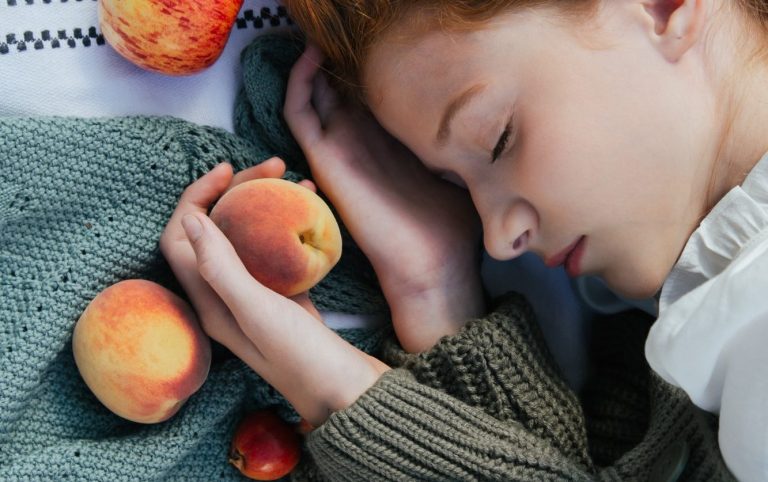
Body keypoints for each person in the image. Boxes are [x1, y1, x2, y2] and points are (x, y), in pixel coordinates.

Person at [161, 0, 767, 479]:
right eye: (452, 182)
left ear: (661, 6)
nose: (500, 240)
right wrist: (437, 294)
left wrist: (342, 396)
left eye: (498, 139)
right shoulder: (665, 354)